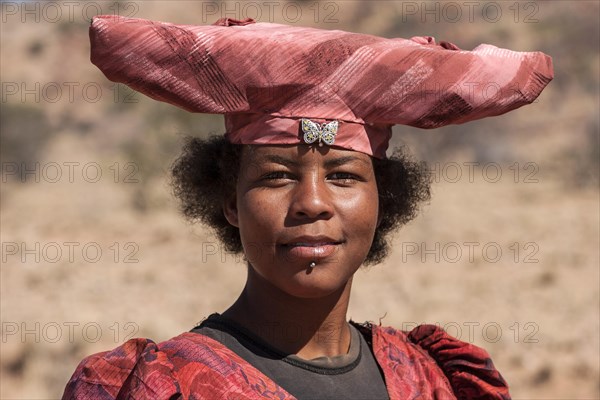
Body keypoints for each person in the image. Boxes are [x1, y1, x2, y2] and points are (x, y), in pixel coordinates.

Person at [63, 15, 553, 399]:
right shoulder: (162, 384)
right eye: (277, 176)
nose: (312, 203)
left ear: (383, 200)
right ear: (230, 200)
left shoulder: (432, 381)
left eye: (343, 176)